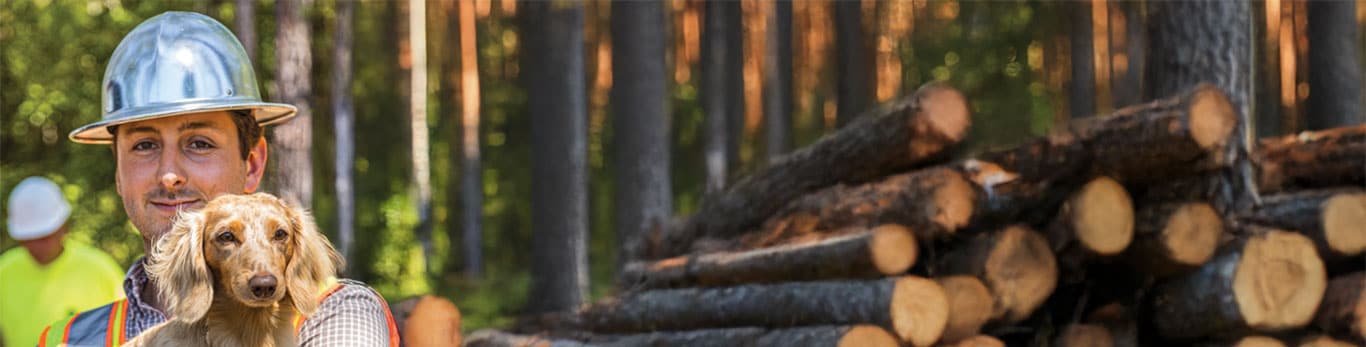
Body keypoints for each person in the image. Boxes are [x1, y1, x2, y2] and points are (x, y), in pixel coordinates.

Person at [38, 12, 398, 346]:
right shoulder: (66, 338)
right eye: (145, 145)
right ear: (118, 171)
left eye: (199, 143)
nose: (170, 174)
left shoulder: (336, 313)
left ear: (253, 163)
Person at [0, 176, 125, 347]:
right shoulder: (4, 271)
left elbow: (130, 330)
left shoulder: (100, 271)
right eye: (28, 239)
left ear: (63, 227)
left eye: (44, 237)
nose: (36, 246)